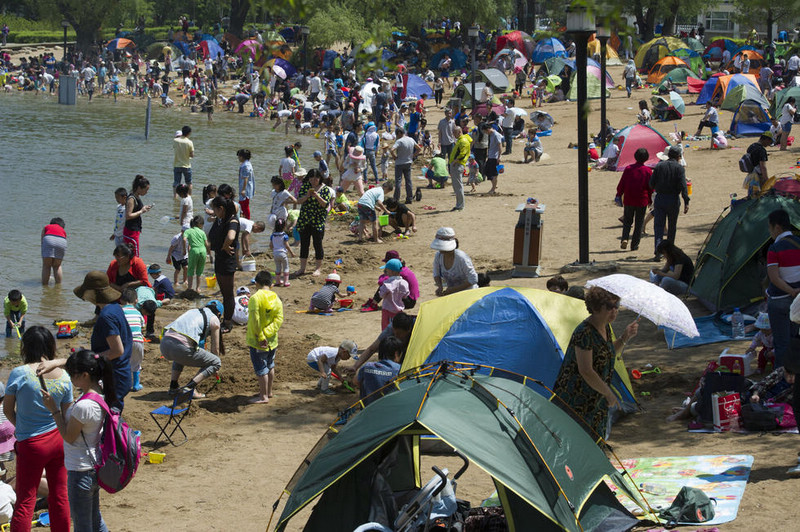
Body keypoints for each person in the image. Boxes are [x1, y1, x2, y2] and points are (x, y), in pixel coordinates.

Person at [4, 327, 72, 532]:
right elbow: (66, 415)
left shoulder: (19, 373)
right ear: (51, 346)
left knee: (26, 499)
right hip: (58, 441)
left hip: (31, 444)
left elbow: (7, 410)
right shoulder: (65, 377)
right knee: (59, 495)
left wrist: (22, 428)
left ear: (25, 347)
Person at [41, 349, 115, 532]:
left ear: (84, 374)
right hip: (94, 466)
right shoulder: (100, 392)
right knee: (95, 520)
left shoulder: (84, 406)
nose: (70, 378)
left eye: (72, 375)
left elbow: (68, 436)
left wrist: (54, 409)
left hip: (80, 471)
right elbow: (84, 363)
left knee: (83, 525)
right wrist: (55, 363)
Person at [552, 286, 639, 440]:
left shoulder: (605, 327)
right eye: (610, 307)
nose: (615, 311)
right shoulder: (584, 332)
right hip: (577, 399)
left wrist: (625, 337)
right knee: (578, 442)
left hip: (595, 397)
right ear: (597, 308)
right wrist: (608, 393)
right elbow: (586, 370)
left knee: (595, 441)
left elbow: (608, 352)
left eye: (617, 306)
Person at [160, 301, 224, 399]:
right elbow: (215, 349)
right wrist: (215, 368)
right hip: (180, 347)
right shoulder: (214, 319)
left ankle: (173, 386)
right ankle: (190, 388)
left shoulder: (193, 311)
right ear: (219, 314)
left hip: (165, 344)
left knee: (179, 356)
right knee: (216, 362)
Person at [766, 209, 800, 369]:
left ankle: (781, 379)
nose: (770, 232)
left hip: (779, 300)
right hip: (798, 301)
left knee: (781, 344)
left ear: (777, 228)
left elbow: (774, 278)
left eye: (770, 228)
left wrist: (790, 291)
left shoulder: (774, 249)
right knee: (795, 341)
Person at [246, 271, 284, 404]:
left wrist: (261, 336)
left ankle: (263, 397)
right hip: (272, 340)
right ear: (271, 284)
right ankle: (269, 391)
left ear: (256, 283)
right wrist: (268, 333)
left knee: (261, 369)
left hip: (258, 341)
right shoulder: (276, 298)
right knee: (270, 365)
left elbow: (255, 320)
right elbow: (279, 319)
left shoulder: (255, 298)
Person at [649, 146, 690, 259]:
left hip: (660, 198)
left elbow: (651, 183)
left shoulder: (659, 166)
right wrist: (686, 201)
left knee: (658, 226)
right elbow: (683, 186)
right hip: (673, 199)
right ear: (678, 157)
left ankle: (658, 251)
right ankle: (670, 252)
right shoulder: (679, 168)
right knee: (672, 227)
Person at [208, 196, 240, 332]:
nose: (213, 212)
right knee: (223, 291)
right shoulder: (220, 219)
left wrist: (226, 245)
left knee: (228, 294)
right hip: (220, 259)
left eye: (214, 209)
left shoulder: (232, 220)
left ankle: (227, 322)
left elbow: (231, 236)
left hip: (227, 260)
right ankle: (226, 318)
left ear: (221, 209)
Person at [293, 170, 332, 277]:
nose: (313, 181)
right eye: (311, 178)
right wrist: (307, 195)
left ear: (320, 178)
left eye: (315, 178)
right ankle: (302, 268)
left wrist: (317, 196)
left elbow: (325, 204)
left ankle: (318, 268)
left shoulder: (325, 189)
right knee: (304, 244)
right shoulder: (305, 186)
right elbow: (299, 201)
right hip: (305, 219)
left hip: (318, 220)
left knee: (317, 244)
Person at [616, 148, 653, 251]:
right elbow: (650, 187)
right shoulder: (648, 171)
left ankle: (624, 238)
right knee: (639, 222)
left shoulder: (628, 169)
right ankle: (634, 244)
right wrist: (650, 200)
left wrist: (619, 194)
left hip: (629, 199)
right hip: (642, 200)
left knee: (627, 221)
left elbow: (622, 183)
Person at [431, 227, 478, 296]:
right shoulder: (438, 256)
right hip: (453, 295)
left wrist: (454, 289)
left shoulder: (461, 258)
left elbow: (473, 279)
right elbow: (436, 274)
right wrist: (440, 287)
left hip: (468, 293)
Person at [357, 335, 403, 405]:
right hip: (390, 409)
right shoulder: (399, 369)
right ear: (396, 354)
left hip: (368, 411)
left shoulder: (367, 367)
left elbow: (356, 381)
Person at [120, 288, 145, 392]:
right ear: (136, 301)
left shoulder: (120, 311)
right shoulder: (138, 313)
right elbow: (143, 326)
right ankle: (136, 384)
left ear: (121, 300)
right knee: (136, 363)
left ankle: (123, 383)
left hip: (125, 341)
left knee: (123, 362)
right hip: (138, 341)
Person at [123, 174, 152, 257]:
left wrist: (143, 209)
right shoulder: (131, 199)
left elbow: (136, 210)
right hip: (131, 232)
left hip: (134, 231)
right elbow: (128, 216)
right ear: (139, 188)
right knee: (135, 255)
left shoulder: (137, 196)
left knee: (130, 255)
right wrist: (141, 211)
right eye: (146, 190)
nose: (146, 192)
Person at [391, 128, 420, 204]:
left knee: (398, 181)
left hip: (399, 163)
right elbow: (419, 149)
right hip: (408, 162)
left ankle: (396, 198)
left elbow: (391, 150)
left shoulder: (399, 141)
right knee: (408, 181)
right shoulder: (411, 139)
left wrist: (394, 156)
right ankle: (409, 198)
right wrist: (413, 156)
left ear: (399, 133)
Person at [184, 215, 209, 291]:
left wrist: (184, 249)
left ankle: (190, 288)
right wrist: (209, 253)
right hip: (203, 250)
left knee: (190, 270)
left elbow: (184, 239)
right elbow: (206, 244)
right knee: (199, 271)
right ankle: (198, 288)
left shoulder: (188, 231)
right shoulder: (202, 232)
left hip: (194, 250)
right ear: (200, 224)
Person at [744, 132, 773, 197]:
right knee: (759, 196)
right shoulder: (761, 150)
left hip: (750, 175)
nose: (769, 144)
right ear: (766, 140)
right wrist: (766, 179)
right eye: (769, 142)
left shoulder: (751, 146)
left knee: (751, 195)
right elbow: (763, 166)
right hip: (758, 176)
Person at [449, 127, 471, 210]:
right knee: (456, 185)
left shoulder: (463, 141)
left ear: (459, 132)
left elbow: (463, 154)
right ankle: (459, 204)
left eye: (454, 133)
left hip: (458, 165)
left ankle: (460, 205)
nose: (453, 135)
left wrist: (455, 161)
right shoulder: (461, 139)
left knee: (458, 186)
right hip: (456, 164)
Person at [41, 217, 67, 285]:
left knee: (47, 265)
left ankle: (45, 286)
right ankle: (58, 286)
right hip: (62, 241)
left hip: (48, 239)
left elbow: (42, 239)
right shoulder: (63, 230)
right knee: (57, 266)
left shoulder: (47, 227)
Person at [270, 218, 295, 287]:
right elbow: (287, 246)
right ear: (284, 227)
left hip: (275, 254)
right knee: (286, 267)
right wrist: (292, 253)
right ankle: (286, 281)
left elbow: (271, 245)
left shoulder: (272, 236)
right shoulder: (284, 236)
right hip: (283, 253)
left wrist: (274, 250)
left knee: (278, 267)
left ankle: (277, 281)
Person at [173, 125, 194, 198]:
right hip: (186, 165)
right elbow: (191, 155)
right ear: (189, 133)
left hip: (177, 165)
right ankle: (189, 197)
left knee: (176, 182)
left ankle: (175, 197)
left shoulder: (175, 140)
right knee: (189, 183)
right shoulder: (189, 142)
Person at [484, 123, 504, 195]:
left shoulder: (496, 135)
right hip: (490, 156)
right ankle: (494, 185)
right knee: (487, 171)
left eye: (486, 131)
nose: (486, 133)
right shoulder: (491, 135)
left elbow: (500, 146)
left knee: (494, 173)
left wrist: (499, 157)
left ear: (488, 129)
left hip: (494, 157)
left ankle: (493, 188)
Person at [237, 149, 255, 219]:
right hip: (244, 187)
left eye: (239, 156)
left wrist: (243, 189)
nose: (238, 158)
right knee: (242, 204)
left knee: (244, 204)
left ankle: (247, 218)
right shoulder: (246, 164)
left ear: (242, 157)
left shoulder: (246, 166)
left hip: (245, 188)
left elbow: (246, 178)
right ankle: (244, 217)